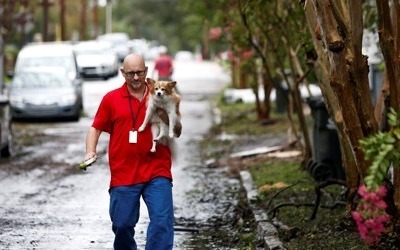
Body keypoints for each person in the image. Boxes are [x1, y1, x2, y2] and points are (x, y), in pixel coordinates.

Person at [84, 53, 181, 250]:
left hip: (157, 168)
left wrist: (165, 116)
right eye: (130, 74)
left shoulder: (161, 96)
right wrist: (90, 151)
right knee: (122, 225)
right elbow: (95, 128)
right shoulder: (111, 99)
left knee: (162, 222)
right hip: (124, 172)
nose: (135, 78)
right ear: (123, 73)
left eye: (139, 73)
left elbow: (177, 132)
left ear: (146, 72)